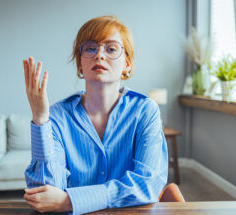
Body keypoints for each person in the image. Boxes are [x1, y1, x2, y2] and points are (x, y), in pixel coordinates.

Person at [22, 15, 168, 215]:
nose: (99, 55)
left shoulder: (145, 110)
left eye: (111, 49)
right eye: (90, 48)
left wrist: (71, 201)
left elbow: (147, 185)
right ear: (80, 63)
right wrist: (40, 120)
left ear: (127, 64)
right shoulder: (56, 115)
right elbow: (45, 193)